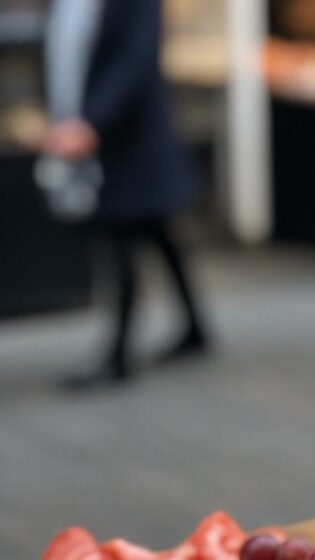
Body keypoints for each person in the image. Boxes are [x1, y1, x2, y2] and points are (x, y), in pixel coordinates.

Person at [42, 0, 209, 389]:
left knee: (120, 237)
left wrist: (91, 123)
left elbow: (135, 60)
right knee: (156, 230)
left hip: (127, 139)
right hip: (85, 130)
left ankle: (118, 355)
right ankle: (194, 327)